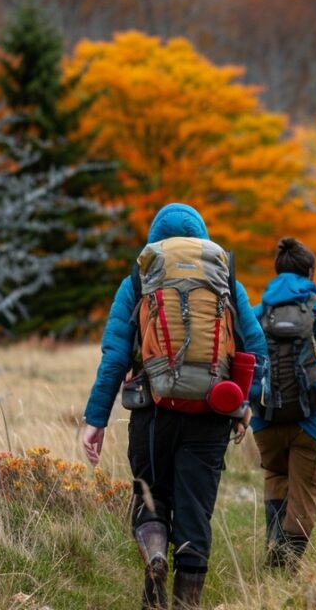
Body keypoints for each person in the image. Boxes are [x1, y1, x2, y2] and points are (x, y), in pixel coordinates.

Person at [80, 203, 268, 610]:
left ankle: (154, 571)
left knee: (152, 496)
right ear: (201, 236)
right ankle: (187, 604)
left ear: (155, 239)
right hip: (211, 414)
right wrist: (246, 402)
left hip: (152, 412)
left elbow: (114, 355)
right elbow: (255, 347)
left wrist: (96, 419)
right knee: (195, 509)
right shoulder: (223, 278)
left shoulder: (141, 276)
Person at [252, 237, 316, 570]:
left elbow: (245, 361)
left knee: (276, 479)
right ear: (311, 271)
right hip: (313, 422)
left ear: (277, 272)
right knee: (304, 495)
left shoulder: (257, 312)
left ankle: (274, 553)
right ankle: (283, 570)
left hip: (266, 421)